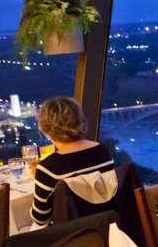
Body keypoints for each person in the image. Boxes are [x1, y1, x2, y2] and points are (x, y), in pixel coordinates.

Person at [30, 96, 115, 227]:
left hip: (72, 238)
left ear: (46, 128)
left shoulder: (48, 168)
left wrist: (39, 177)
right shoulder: (102, 150)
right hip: (108, 227)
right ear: (80, 119)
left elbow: (40, 219)